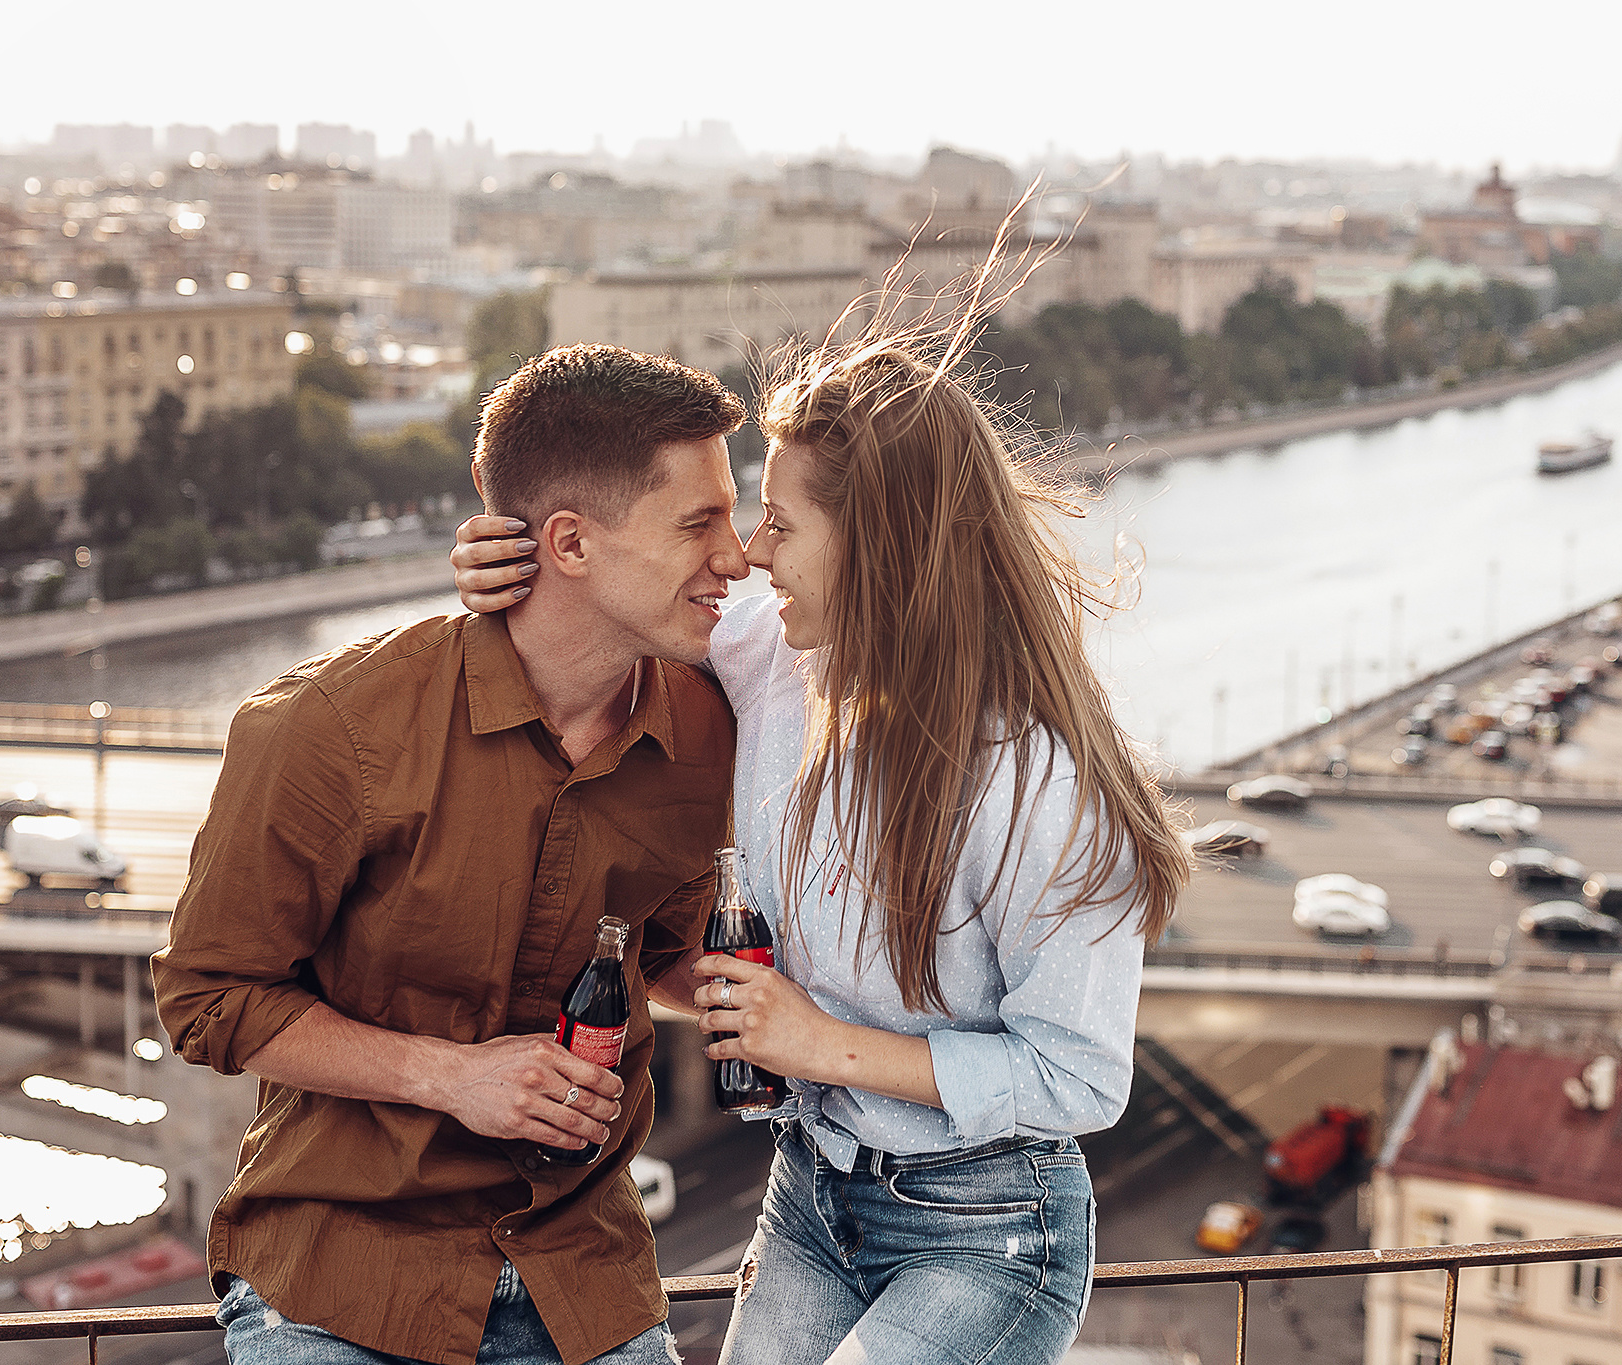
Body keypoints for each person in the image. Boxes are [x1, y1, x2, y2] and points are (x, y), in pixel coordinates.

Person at [451, 326, 1190, 1365]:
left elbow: (1078, 1077)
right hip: (809, 1194)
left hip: (987, 1233)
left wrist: (817, 1047)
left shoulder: (1039, 783)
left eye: (780, 525)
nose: (751, 555)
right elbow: (616, 599)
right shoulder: (770, 658)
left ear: (877, 546)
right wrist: (510, 563)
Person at [154, 345, 752, 1365]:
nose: (734, 556)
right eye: (699, 523)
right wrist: (448, 1078)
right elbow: (209, 1002)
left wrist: (775, 1008)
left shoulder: (707, 728)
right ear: (568, 543)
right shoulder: (329, 730)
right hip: (342, 1272)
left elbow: (662, 956)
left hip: (585, 1275)